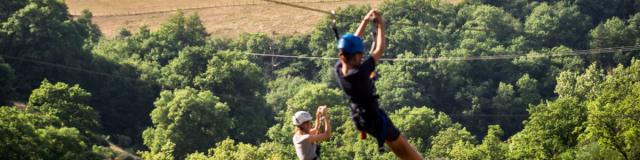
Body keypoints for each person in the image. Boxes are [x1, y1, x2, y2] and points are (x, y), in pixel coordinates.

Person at [334, 9, 423, 160]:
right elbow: (379, 49)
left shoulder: (339, 69)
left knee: (396, 144)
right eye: (360, 55)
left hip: (360, 118)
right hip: (372, 117)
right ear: (354, 56)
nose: (362, 57)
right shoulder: (359, 73)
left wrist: (366, 20)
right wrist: (381, 24)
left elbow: (355, 40)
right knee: (402, 143)